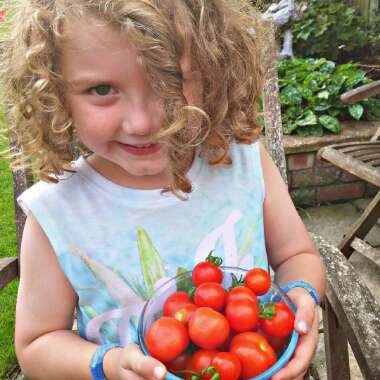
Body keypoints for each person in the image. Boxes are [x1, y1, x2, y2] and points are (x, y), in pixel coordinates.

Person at [1, 0, 326, 379]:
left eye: (171, 80)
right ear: (55, 92)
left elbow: (297, 255)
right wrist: (107, 365)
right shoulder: (58, 212)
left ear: (214, 71)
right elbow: (37, 344)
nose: (143, 122)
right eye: (102, 88)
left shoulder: (243, 162)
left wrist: (301, 294)